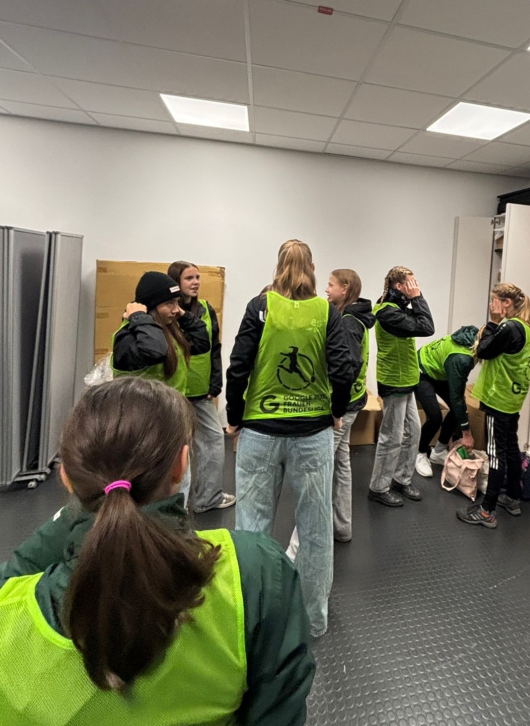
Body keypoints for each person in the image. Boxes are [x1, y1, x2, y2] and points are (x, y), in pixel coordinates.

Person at [0, 377, 314, 726]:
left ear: (65, 476)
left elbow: (6, 578)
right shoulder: (255, 574)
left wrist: (80, 514)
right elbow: (280, 700)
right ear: (181, 467)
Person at [225, 240, 355, 638]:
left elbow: (238, 365)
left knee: (251, 528)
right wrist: (337, 410)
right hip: (312, 432)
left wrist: (234, 417)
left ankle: (252, 620)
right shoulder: (326, 312)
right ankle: (313, 619)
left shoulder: (259, 307)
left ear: (278, 266)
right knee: (315, 530)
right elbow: (344, 368)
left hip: (260, 431)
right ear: (312, 268)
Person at [287, 269, 375, 559]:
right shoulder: (355, 317)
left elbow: (347, 365)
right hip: (354, 400)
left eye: (330, 285)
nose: (326, 289)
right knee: (341, 462)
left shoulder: (348, 322)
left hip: (344, 405)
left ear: (345, 289)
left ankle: (297, 547)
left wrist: (336, 405)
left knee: (319, 471)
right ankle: (342, 526)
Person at [112, 270, 210, 503]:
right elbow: (154, 351)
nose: (176, 309)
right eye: (169, 304)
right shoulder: (128, 335)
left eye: (177, 302)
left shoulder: (169, 330)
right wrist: (139, 317)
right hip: (144, 430)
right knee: (153, 495)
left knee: (178, 489)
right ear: (149, 307)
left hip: (173, 423)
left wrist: (180, 314)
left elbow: (202, 342)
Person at [456, 283, 530, 527]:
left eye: (494, 300)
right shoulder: (528, 328)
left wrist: (492, 322)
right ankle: (512, 497)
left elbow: (483, 350)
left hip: (498, 399)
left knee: (496, 454)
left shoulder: (509, 327)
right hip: (512, 399)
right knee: (511, 448)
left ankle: (486, 511)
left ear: (506, 303)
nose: (491, 304)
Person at [168, 261, 236, 513]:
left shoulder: (206, 309)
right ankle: (175, 503)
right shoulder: (167, 311)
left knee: (214, 439)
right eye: (189, 278)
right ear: (176, 282)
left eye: (197, 277)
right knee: (177, 448)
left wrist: (216, 381)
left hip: (200, 391)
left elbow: (214, 348)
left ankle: (207, 498)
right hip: (174, 392)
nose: (195, 282)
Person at [368, 266, 434, 507]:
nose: (416, 287)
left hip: (407, 379)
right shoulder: (387, 312)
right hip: (393, 380)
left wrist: (414, 299)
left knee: (413, 432)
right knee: (392, 437)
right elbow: (427, 327)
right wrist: (418, 298)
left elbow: (422, 323)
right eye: (412, 283)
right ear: (399, 286)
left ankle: (401, 479)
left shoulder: (400, 308)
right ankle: (378, 487)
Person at [414, 325, 478, 478]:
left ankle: (438, 452)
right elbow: (456, 397)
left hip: (439, 371)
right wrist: (467, 433)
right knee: (435, 417)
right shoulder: (462, 358)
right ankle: (420, 453)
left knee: (457, 411)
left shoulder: (474, 340)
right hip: (422, 369)